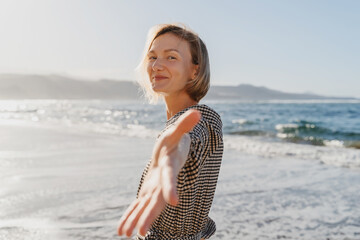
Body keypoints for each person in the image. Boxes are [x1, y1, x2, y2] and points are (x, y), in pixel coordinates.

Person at [117, 24, 223, 240]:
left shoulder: (202, 120)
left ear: (195, 69)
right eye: (152, 57)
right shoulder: (178, 123)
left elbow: (187, 140)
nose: (156, 65)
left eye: (171, 57)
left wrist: (169, 160)